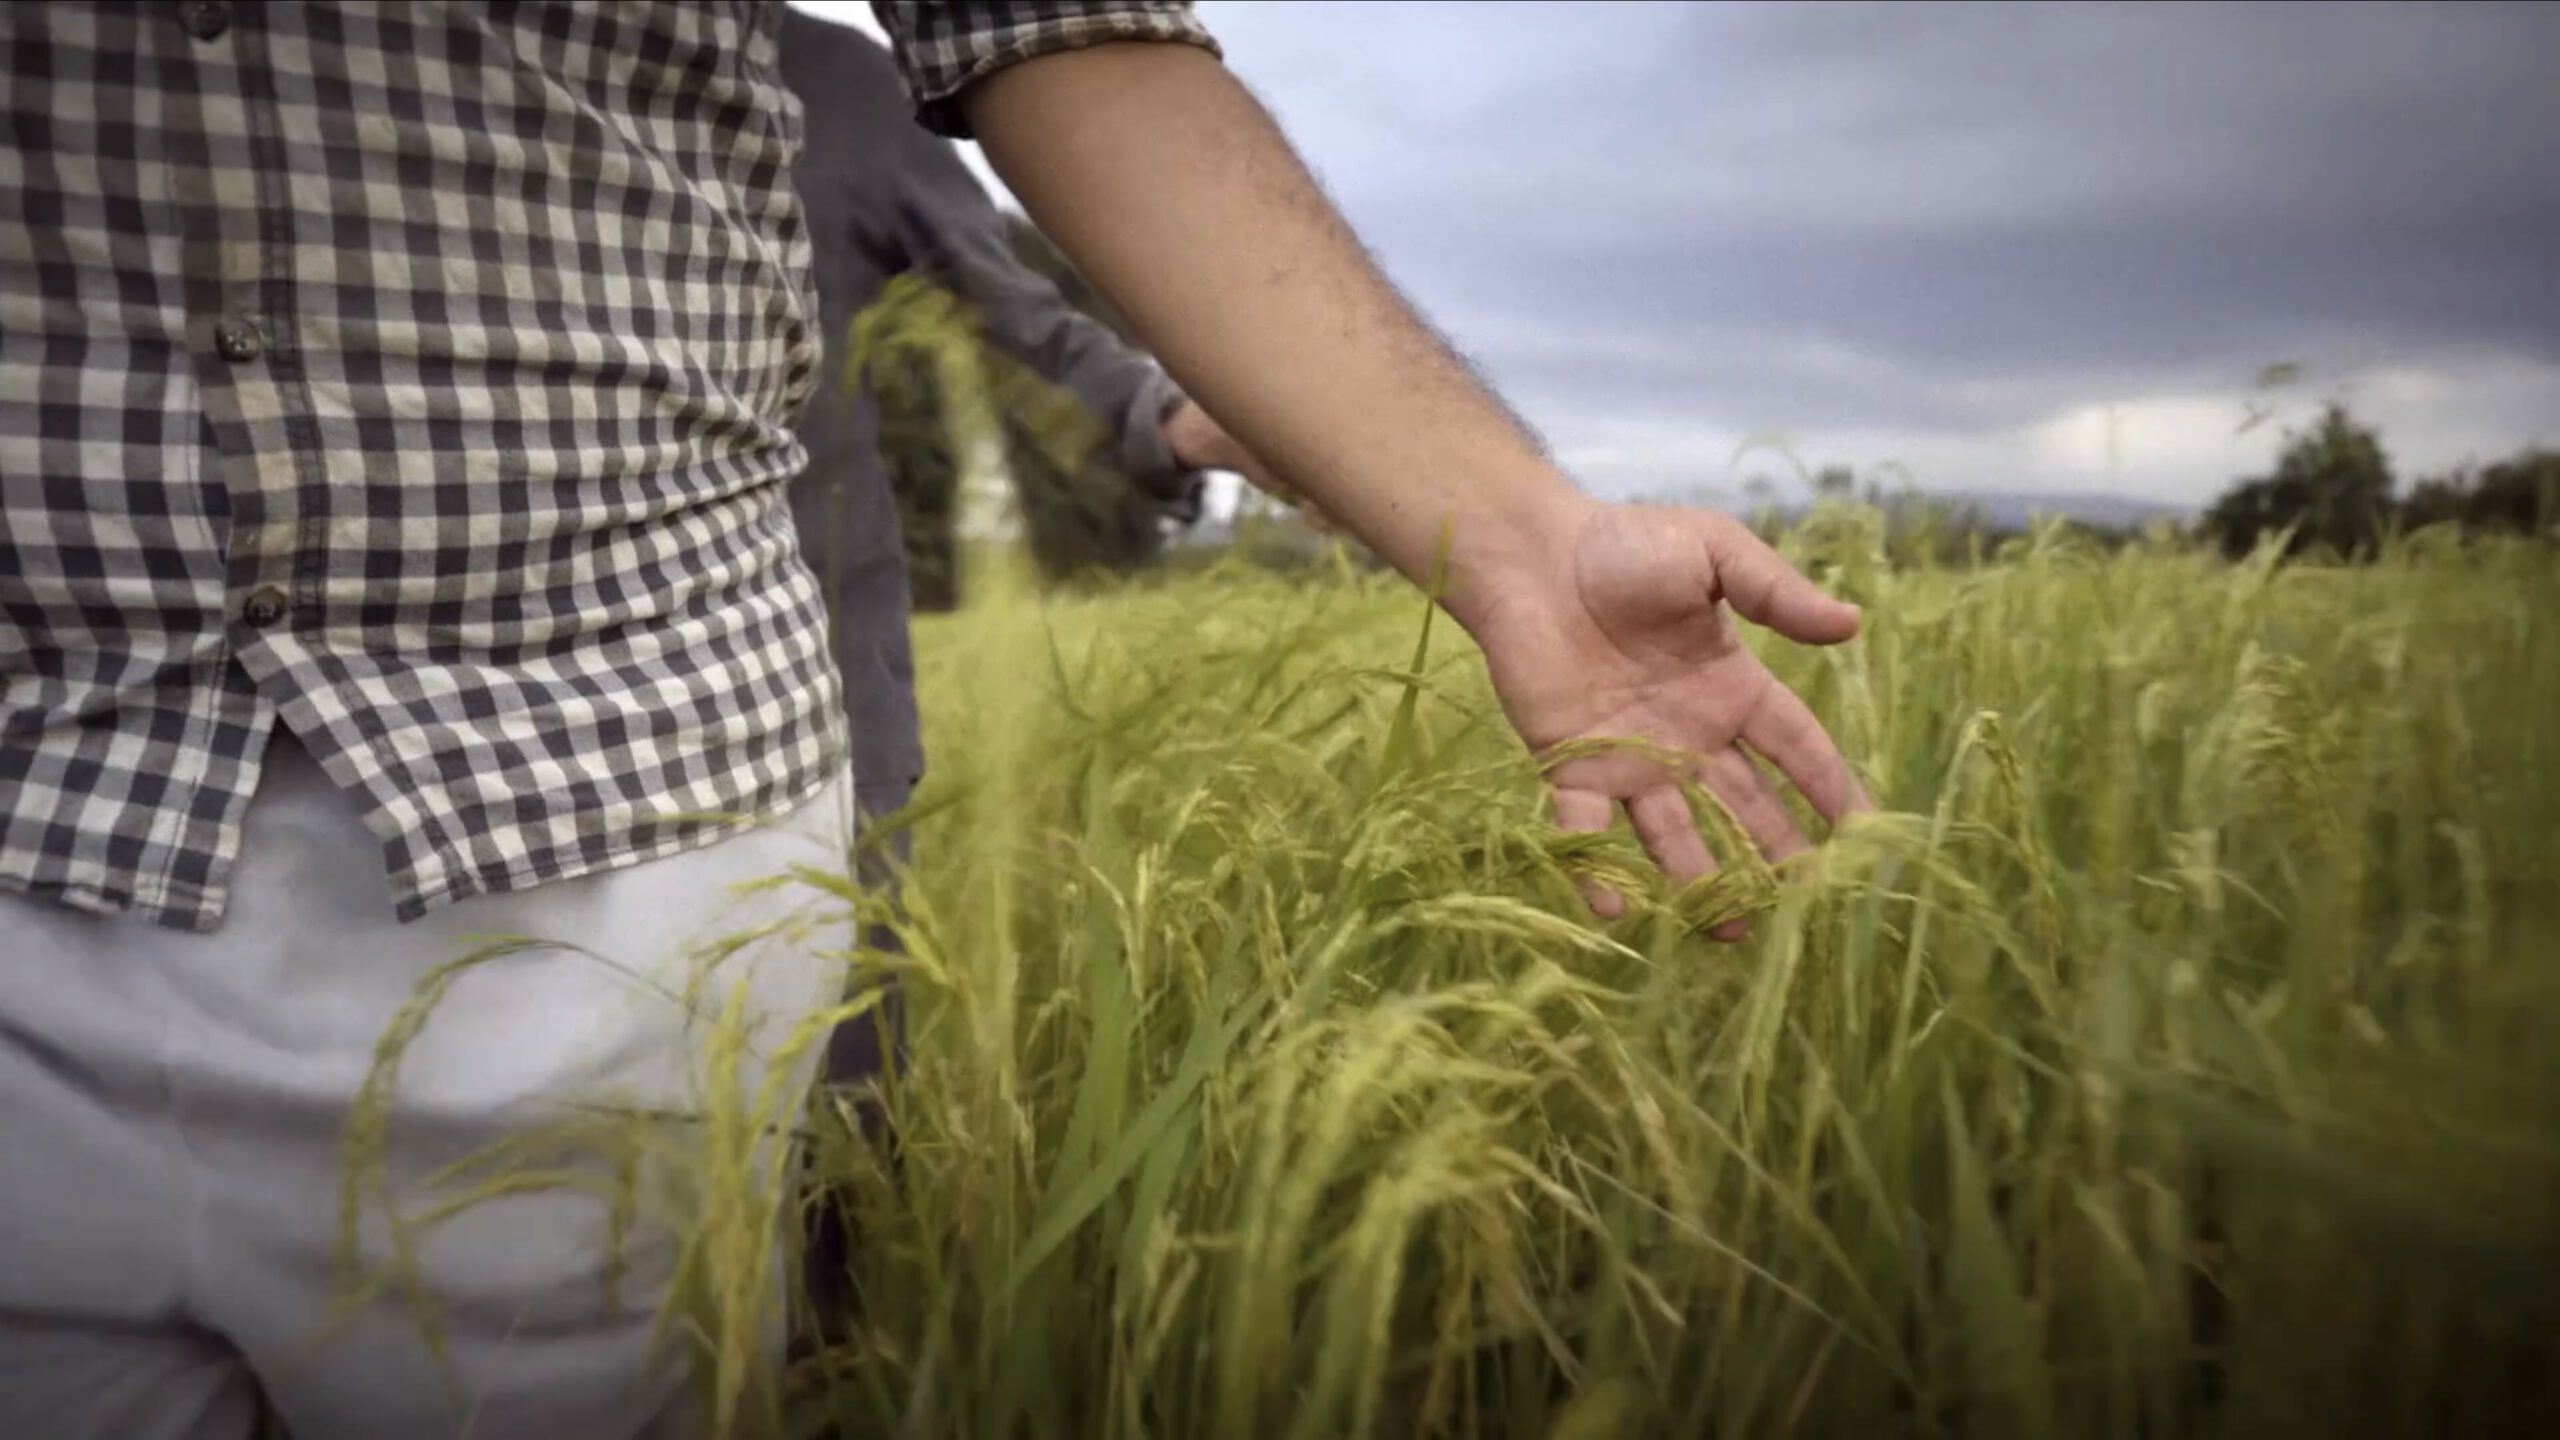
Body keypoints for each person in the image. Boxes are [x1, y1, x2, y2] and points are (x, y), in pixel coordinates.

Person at [0, 3, 1869, 1436]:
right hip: (44, 814)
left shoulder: (844, 92)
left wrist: (1324, 461)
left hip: (647, 760)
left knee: (844, 1053)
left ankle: (833, 1283)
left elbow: (1042, 255)